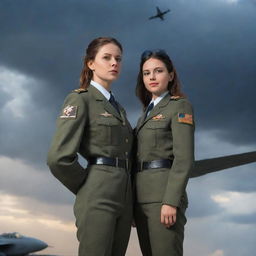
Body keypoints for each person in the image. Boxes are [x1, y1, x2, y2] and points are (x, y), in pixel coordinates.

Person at [47, 37, 133, 256]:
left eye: (118, 59)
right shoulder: (80, 100)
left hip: (124, 195)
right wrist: (88, 187)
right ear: (90, 63)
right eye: (107, 57)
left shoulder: (118, 108)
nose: (114, 63)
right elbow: (59, 158)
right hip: (98, 193)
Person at [134, 49, 195, 256]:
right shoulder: (144, 114)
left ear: (170, 75)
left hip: (164, 199)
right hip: (142, 199)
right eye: (146, 72)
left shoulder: (179, 106)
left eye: (158, 71)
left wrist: (170, 201)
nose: (151, 77)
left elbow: (184, 158)